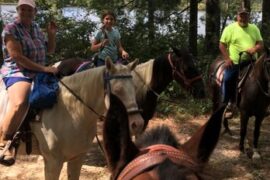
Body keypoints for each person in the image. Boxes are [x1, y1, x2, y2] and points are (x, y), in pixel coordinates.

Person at [0, 0, 58, 166]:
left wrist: (52, 34)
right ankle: (5, 142)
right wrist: (44, 69)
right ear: (18, 10)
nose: (26, 12)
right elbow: (17, 57)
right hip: (18, 70)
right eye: (22, 9)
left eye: (29, 9)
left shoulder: (36, 28)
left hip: (38, 70)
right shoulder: (10, 29)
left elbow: (50, 50)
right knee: (20, 102)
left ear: (35, 12)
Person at [219, 7, 264, 114]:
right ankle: (227, 103)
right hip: (236, 62)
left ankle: (264, 104)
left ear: (248, 16)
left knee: (265, 77)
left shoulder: (254, 28)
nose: (243, 18)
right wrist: (227, 58)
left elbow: (261, 44)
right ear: (237, 16)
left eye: (245, 15)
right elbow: (221, 45)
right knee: (227, 79)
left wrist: (254, 49)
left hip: (253, 62)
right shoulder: (229, 28)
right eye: (241, 15)